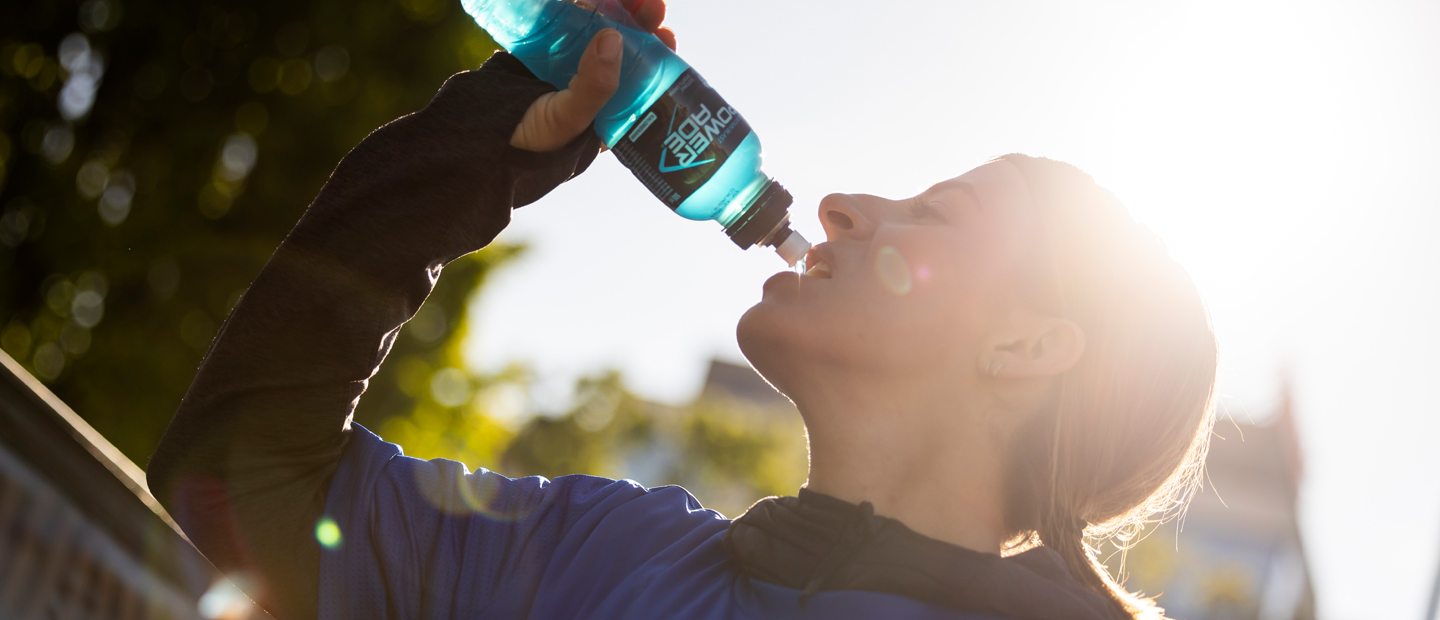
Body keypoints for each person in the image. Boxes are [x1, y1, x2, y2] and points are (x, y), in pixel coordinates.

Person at [147, 2, 1216, 619]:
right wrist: (486, 138)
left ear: (1029, 344)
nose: (844, 207)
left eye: (939, 212)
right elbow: (237, 471)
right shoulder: (603, 549)